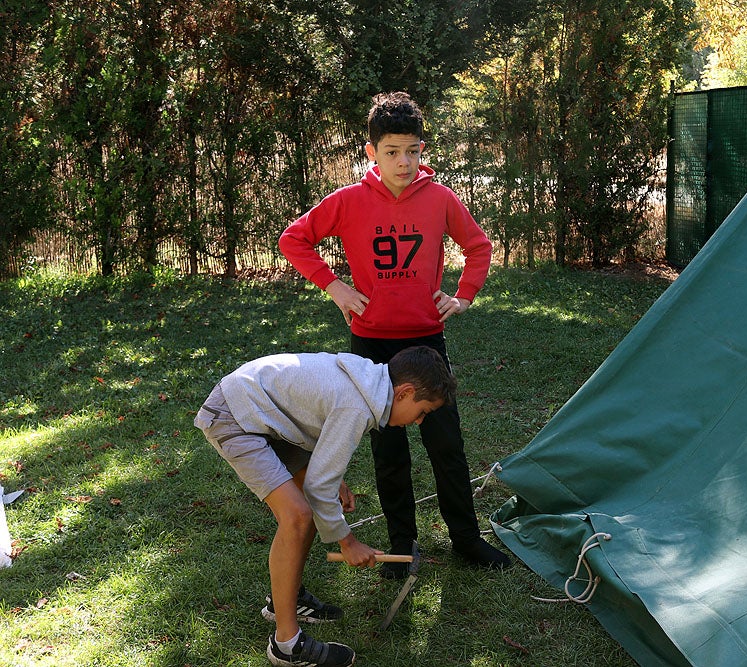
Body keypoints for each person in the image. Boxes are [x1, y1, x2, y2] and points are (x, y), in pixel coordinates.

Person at [279, 91, 510, 579]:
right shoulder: (348, 201)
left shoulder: (441, 198)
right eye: (391, 152)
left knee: (445, 442)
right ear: (371, 152)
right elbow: (293, 239)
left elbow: (479, 246)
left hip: (426, 343)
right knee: (389, 449)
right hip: (371, 348)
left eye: (412, 151)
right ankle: (402, 542)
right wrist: (336, 287)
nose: (403, 163)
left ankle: (466, 538)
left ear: (422, 149)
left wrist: (463, 296)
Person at [194, 345, 456, 667]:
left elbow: (319, 437)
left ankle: (283, 601)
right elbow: (319, 487)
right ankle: (286, 645)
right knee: (299, 515)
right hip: (236, 414)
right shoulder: (357, 406)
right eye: (422, 412)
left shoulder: (367, 381)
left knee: (306, 508)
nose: (418, 422)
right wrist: (348, 542)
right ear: (404, 392)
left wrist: (331, 479)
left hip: (265, 411)